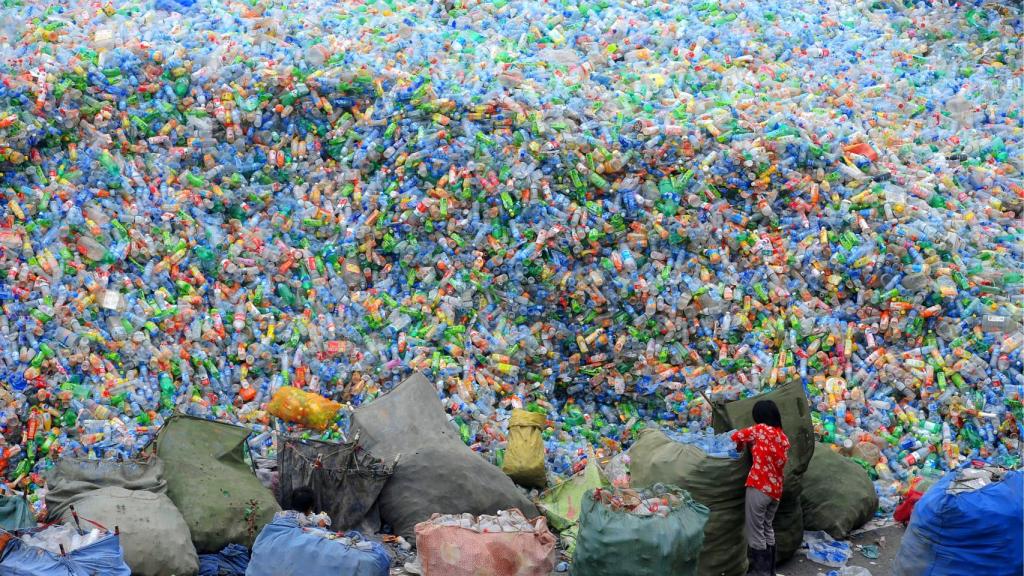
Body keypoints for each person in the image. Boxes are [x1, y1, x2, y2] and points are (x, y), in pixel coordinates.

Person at [731, 400, 790, 576]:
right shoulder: (783, 437)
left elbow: (736, 437)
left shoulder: (760, 430)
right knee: (767, 528)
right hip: (776, 490)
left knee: (755, 531)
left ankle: (759, 572)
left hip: (758, 486)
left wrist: (741, 447)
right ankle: (769, 571)